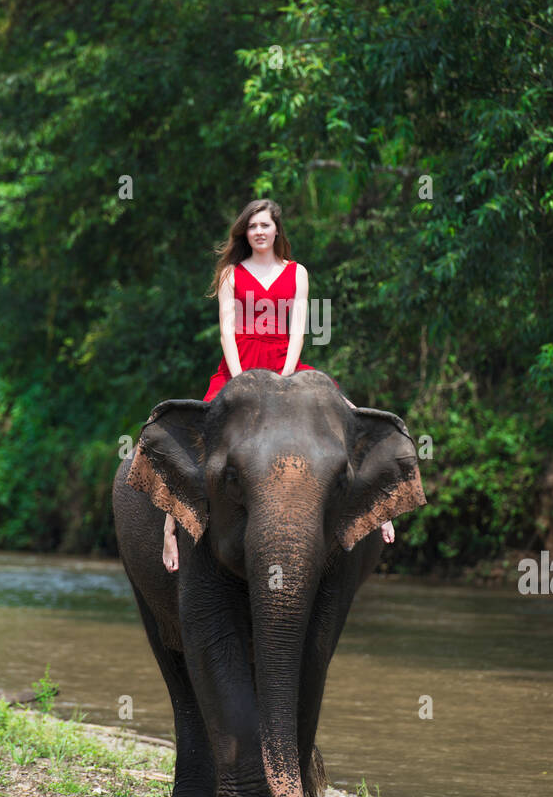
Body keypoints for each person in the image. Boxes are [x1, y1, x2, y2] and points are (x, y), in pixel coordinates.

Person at [162, 198, 394, 571]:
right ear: (245, 232)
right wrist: (240, 379)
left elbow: (298, 327)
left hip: (285, 361)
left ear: (276, 230)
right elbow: (227, 328)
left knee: (347, 413)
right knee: (198, 437)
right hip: (239, 363)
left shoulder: (297, 272)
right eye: (252, 227)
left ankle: (380, 504)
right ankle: (170, 528)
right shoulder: (230, 275)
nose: (258, 233)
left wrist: (287, 376)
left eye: (265, 226)